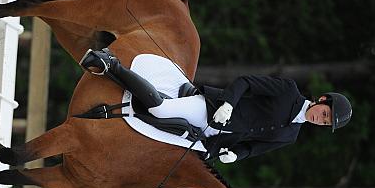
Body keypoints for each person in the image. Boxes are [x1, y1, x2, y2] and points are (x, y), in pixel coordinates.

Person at [80, 49, 352, 163]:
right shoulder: (288, 93)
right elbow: (246, 82)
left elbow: (253, 147)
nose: (320, 119)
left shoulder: (290, 136)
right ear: (322, 100)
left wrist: (236, 156)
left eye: (325, 122)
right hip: (211, 110)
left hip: (214, 142)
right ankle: (110, 64)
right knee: (160, 110)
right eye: (325, 113)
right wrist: (229, 105)